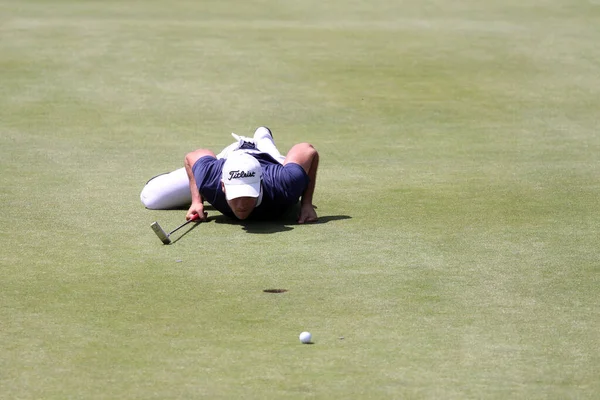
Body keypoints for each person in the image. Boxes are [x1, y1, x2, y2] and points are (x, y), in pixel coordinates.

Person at [140, 127, 319, 224]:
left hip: (269, 161)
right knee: (150, 198)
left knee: (273, 154)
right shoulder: (211, 179)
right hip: (228, 156)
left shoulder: (284, 183)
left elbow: (308, 150)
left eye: (247, 196)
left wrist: (306, 203)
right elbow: (192, 157)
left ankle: (263, 138)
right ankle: (258, 140)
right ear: (223, 186)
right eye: (235, 196)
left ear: (260, 185)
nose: (241, 205)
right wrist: (197, 201)